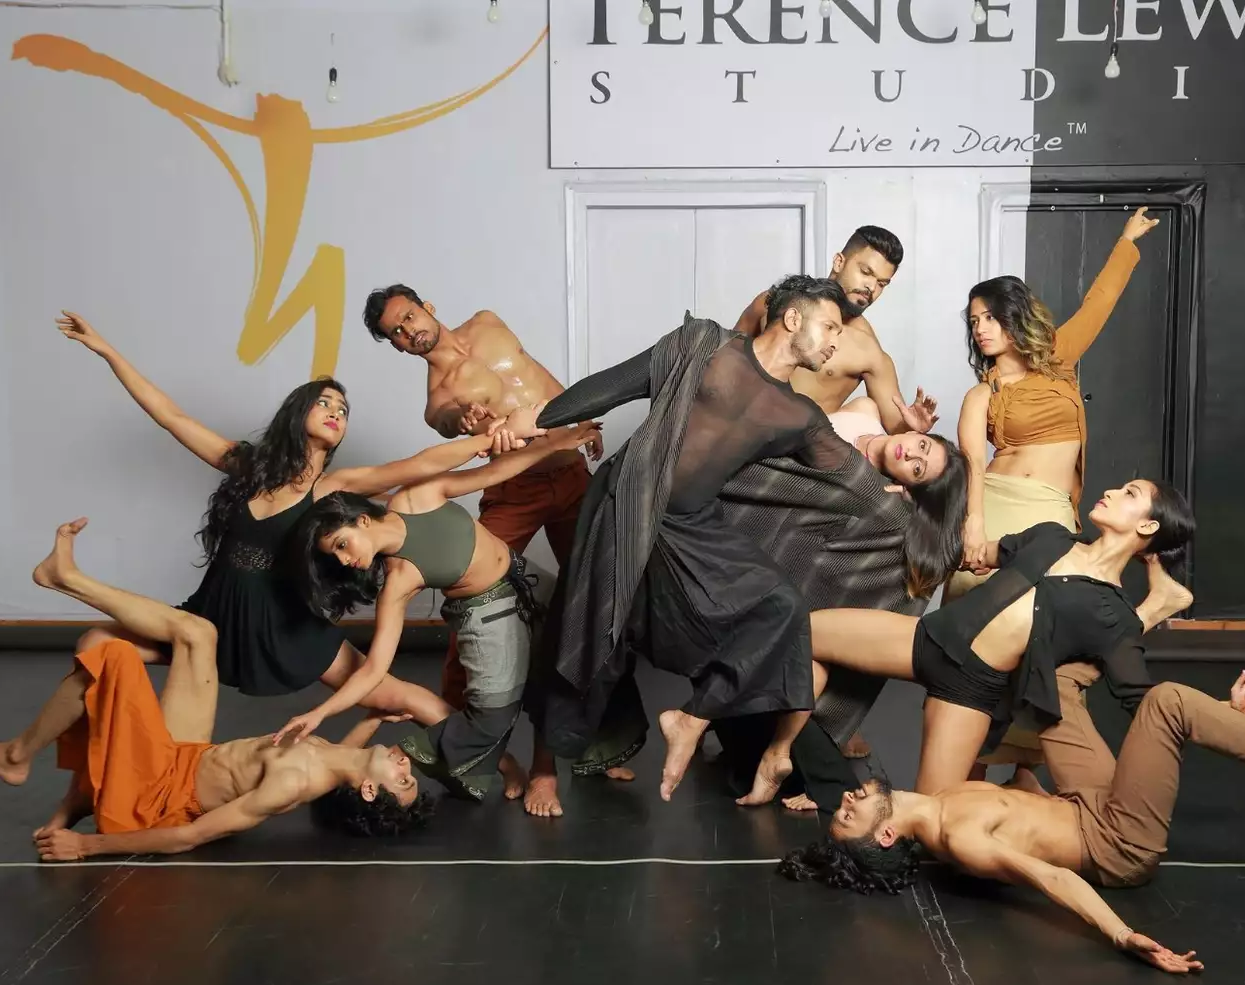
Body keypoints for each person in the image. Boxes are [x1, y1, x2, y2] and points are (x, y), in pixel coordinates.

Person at [511, 276, 965, 804]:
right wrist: (535, 421)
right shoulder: (703, 346)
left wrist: (932, 515)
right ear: (793, 319)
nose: (837, 343)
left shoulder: (799, 415)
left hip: (689, 525)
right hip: (628, 501)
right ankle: (543, 766)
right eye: (830, 327)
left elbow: (859, 489)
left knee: (780, 608)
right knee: (587, 630)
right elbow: (613, 386)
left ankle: (692, 718)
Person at [53, 313, 515, 736]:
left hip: (285, 629)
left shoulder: (332, 488)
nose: (337, 412)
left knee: (395, 694)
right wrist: (107, 351)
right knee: (96, 643)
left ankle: (493, 763)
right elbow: (171, 417)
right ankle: (24, 756)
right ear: (299, 413)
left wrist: (484, 439)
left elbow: (420, 463)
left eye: (344, 411)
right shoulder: (248, 466)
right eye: (326, 403)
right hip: (213, 617)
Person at [779, 663, 1245, 973]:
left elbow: (1023, 797)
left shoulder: (940, 798)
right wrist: (1122, 935)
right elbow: (1052, 878)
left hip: (1084, 806)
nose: (848, 800)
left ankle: (1218, 708)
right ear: (887, 834)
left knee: (1057, 683)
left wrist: (1024, 766)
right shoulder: (957, 837)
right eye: (848, 817)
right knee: (1167, 702)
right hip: (1119, 842)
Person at [0, 519, 435, 862]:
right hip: (185, 754)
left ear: (370, 790)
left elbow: (189, 836)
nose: (405, 764)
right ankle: (66, 580)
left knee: (113, 658)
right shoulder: (334, 762)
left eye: (403, 780)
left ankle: (19, 758)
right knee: (200, 634)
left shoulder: (292, 782)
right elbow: (344, 755)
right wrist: (373, 716)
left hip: (157, 794)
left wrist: (87, 846)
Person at [949, 208, 1191, 790]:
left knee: (1046, 634)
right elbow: (972, 466)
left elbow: (1100, 303)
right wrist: (972, 528)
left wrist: (1126, 243)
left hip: (1051, 510)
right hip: (1000, 503)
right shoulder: (982, 393)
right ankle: (973, 766)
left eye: (990, 316)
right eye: (974, 320)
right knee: (980, 618)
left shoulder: (1058, 358)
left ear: (1014, 318)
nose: (981, 328)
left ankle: (1023, 764)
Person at [361, 286, 619, 813]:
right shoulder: (439, 401)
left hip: (571, 472)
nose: (409, 331)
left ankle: (590, 744)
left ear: (428, 306)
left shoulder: (488, 321)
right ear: (397, 346)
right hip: (515, 488)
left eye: (409, 316)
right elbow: (461, 421)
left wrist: (578, 421)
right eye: (397, 333)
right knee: (473, 599)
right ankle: (467, 736)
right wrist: (478, 423)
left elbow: (539, 378)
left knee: (594, 603)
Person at [273, 415, 603, 817]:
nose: (346, 559)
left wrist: (558, 443)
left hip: (524, 576)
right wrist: (319, 713)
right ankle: (443, 765)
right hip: (489, 616)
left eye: (342, 544)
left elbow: (495, 470)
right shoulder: (397, 580)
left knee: (567, 663)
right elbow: (375, 668)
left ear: (360, 520)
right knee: (493, 715)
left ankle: (544, 771)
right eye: (337, 556)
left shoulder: (416, 498)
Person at [809, 478, 1205, 797]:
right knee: (800, 632)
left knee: (929, 819)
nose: (1111, 491)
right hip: (928, 638)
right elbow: (978, 555)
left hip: (968, 691)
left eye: (1129, 493)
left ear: (1147, 526)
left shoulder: (1114, 614)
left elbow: (1144, 701)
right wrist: (923, 502)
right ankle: (798, 762)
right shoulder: (1053, 536)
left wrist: (1224, 712)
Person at [734, 226, 937, 435]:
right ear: (839, 262)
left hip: (794, 453)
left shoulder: (867, 349)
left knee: (866, 409)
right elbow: (726, 357)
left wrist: (913, 426)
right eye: (866, 272)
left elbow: (896, 426)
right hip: (740, 429)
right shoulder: (772, 303)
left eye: (882, 284)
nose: (871, 288)